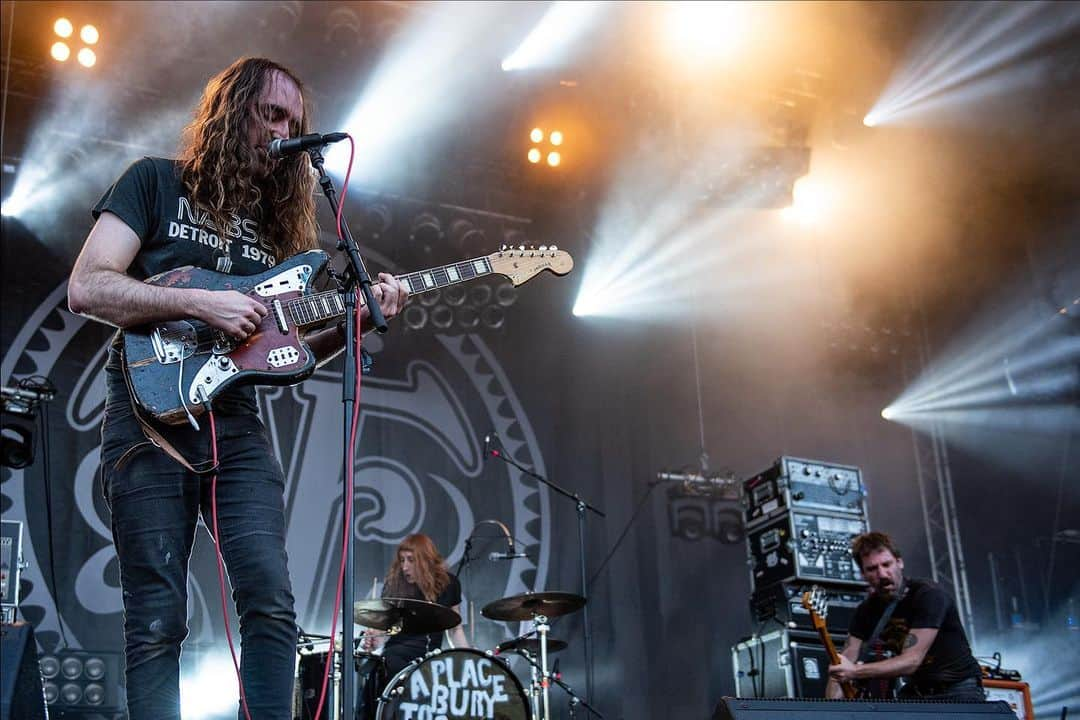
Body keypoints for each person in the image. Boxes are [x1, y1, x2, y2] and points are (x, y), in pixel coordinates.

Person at [66, 57, 408, 720]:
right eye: (270, 113)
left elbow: (285, 353)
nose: (283, 130)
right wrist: (202, 305)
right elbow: (88, 286)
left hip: (237, 423)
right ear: (233, 110)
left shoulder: (281, 235)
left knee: (272, 601)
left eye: (293, 121)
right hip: (148, 420)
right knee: (158, 616)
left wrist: (353, 324)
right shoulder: (154, 184)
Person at [826, 531, 984, 702]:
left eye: (886, 564)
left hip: (957, 688)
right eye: (872, 568)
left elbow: (911, 661)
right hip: (917, 690)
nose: (882, 574)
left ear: (899, 563)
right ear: (863, 574)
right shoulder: (866, 610)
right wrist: (830, 709)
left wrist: (855, 672)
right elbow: (845, 660)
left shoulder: (928, 595)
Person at [362, 533, 468, 679]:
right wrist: (374, 641)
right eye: (402, 560)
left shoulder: (448, 584)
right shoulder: (395, 585)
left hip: (430, 660)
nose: (405, 567)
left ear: (425, 560)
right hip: (396, 655)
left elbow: (456, 629)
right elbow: (385, 632)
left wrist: (469, 658)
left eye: (411, 560)